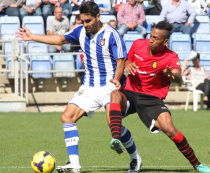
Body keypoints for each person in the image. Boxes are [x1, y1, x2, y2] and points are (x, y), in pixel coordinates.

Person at [17, 2, 141, 173]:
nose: (85, 25)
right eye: (82, 21)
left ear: (98, 17)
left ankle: (135, 158)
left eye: (88, 21)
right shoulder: (80, 31)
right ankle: (74, 165)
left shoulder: (113, 35)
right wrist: (32, 37)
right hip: (89, 86)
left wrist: (118, 79)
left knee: (114, 125)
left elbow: (121, 61)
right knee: (67, 117)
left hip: (109, 86)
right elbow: (60, 39)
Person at [108, 21, 210, 173]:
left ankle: (197, 165)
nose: (151, 40)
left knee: (170, 129)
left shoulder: (170, 56)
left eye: (156, 38)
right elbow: (125, 59)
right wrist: (126, 63)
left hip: (151, 99)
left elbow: (177, 74)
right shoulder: (138, 44)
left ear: (165, 41)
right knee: (115, 94)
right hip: (130, 92)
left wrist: (172, 74)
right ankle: (116, 138)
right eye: (151, 36)